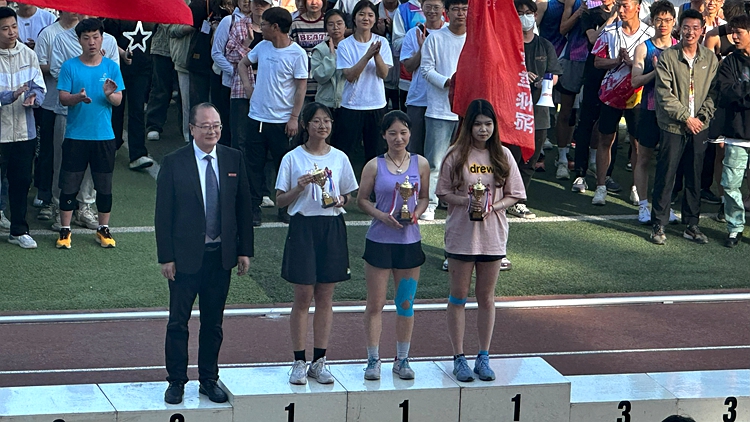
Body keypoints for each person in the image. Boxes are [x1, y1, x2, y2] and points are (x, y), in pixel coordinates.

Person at [156, 103, 254, 405]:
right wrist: (166, 257)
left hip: (220, 257)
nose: (212, 131)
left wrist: (244, 251)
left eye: (216, 125)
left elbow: (243, 208)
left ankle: (209, 379)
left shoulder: (233, 158)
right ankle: (176, 381)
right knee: (178, 322)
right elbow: (163, 214)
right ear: (192, 129)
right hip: (185, 257)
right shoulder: (174, 162)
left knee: (213, 324)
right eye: (206, 125)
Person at [436, 99, 526, 382]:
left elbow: (515, 193)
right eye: (478, 124)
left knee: (486, 298)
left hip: (492, 236)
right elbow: (443, 192)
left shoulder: (503, 155)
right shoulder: (455, 154)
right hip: (461, 236)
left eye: (488, 124)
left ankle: (483, 356)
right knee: (458, 296)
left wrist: (492, 206)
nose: (483, 130)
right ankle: (459, 357)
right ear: (469, 126)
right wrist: (467, 202)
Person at [275, 102, 358, 385]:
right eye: (317, 121)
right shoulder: (292, 158)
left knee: (325, 296)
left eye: (327, 121)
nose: (323, 126)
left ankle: (319, 361)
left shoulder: (339, 157)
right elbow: (280, 200)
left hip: (332, 227)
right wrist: (299, 187)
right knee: (302, 296)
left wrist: (341, 200)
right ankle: (299, 361)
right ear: (305, 125)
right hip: (303, 228)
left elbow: (349, 195)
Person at [357, 111, 429, 381]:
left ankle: (402, 359)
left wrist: (417, 213)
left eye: (403, 133)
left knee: (405, 302)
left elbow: (424, 197)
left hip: (409, 242)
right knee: (375, 303)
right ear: (384, 136)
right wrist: (382, 216)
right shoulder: (373, 166)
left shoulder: (421, 163)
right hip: (380, 241)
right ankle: (373, 359)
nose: (399, 138)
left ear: (410, 133)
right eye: (393, 133)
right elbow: (362, 200)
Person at [650, 8, 718, 244]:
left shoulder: (710, 59)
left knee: (695, 176)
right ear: (679, 29)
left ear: (702, 30)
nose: (690, 32)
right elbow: (664, 94)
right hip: (673, 126)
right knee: (666, 175)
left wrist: (701, 118)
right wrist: (685, 117)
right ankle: (658, 224)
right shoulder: (668, 57)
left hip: (699, 127)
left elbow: (713, 93)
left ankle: (692, 224)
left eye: (695, 28)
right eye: (686, 27)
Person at [55, 18, 124, 249]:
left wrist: (109, 94)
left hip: (104, 136)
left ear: (102, 39)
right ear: (79, 41)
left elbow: (118, 100)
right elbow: (63, 98)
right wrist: (78, 97)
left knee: (104, 185)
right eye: (86, 38)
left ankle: (103, 228)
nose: (91, 42)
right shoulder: (70, 67)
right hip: (76, 136)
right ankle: (65, 230)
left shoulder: (111, 67)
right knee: (69, 184)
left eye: (96, 37)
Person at [238, 6, 308, 226]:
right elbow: (243, 64)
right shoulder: (262, 47)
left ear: (276, 27)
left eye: (265, 24)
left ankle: (284, 207)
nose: (261, 28)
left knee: (283, 166)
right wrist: (248, 88)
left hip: (282, 121)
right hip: (257, 117)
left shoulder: (297, 53)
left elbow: (301, 87)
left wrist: (294, 117)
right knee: (253, 165)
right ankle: (253, 207)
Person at [590, 0, 654, 205]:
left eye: (626, 5)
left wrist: (634, 64)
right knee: (605, 138)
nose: (622, 10)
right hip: (611, 93)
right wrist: (617, 61)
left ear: (638, 7)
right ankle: (601, 186)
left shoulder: (649, 33)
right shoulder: (609, 31)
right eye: (619, 5)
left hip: (638, 96)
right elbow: (597, 61)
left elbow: (655, 63)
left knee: (637, 142)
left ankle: (636, 187)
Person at [510, 0, 562, 219]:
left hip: (539, 111)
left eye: (528, 13)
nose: (525, 17)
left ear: (535, 15)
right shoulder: (508, 44)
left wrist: (543, 82)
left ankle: (519, 200)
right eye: (520, 13)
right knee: (510, 158)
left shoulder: (545, 45)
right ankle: (505, 197)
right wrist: (519, 76)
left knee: (530, 159)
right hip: (513, 111)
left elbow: (555, 74)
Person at [0, 6, 46, 249]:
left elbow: (39, 86)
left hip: (24, 133)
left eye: (14, 26)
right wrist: (10, 96)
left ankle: (18, 231)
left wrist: (33, 97)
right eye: (5, 28)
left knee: (20, 182)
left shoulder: (28, 54)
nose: (11, 32)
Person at [631, 0, 679, 224]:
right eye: (659, 20)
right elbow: (635, 81)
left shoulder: (679, 47)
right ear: (652, 21)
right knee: (644, 157)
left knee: (669, 162)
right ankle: (643, 204)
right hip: (649, 109)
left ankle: (663, 205)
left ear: (674, 21)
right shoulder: (644, 47)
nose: (663, 24)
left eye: (667, 20)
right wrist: (656, 71)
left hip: (673, 113)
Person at [419, 0, 467, 221]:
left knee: (463, 161)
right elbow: (426, 70)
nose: (460, 13)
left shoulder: (474, 39)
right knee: (435, 162)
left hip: (467, 110)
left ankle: (459, 200)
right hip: (439, 109)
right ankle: (429, 203)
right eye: (456, 9)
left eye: (464, 9)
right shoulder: (435, 38)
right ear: (447, 12)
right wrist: (448, 82)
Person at [334, 0, 393, 162]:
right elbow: (350, 75)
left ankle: (373, 179)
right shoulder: (345, 45)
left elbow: (383, 74)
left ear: (375, 19)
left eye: (370, 15)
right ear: (354, 18)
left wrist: (376, 55)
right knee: (344, 151)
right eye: (361, 14)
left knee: (376, 153)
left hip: (376, 105)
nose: (366, 18)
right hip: (351, 105)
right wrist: (367, 55)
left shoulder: (382, 42)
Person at [35, 11, 79, 223]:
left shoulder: (86, 33)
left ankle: (74, 200)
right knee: (48, 153)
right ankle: (46, 197)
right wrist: (65, 67)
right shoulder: (49, 33)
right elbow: (38, 64)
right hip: (51, 102)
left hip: (78, 105)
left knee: (74, 154)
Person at [570, 0, 618, 193]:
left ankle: (606, 174)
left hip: (616, 76)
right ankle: (580, 173)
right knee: (586, 122)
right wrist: (611, 19)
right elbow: (592, 39)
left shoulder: (627, 14)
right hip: (593, 74)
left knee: (611, 126)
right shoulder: (590, 13)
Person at [713, 14, 750, 247]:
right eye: (732, 32)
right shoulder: (729, 62)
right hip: (737, 134)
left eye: (739, 32)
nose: (734, 37)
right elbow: (726, 92)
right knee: (729, 184)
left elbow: (736, 91)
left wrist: (742, 91)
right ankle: (735, 228)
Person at [103, 19, 157, 170]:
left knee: (137, 109)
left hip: (142, 68)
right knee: (116, 108)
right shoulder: (116, 16)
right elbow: (107, 38)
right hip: (117, 68)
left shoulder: (151, 15)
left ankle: (137, 154)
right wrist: (121, 53)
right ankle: (113, 144)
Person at [399, 0, 445, 156]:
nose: (432, 11)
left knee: (439, 153)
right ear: (422, 8)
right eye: (428, 7)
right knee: (414, 149)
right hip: (418, 98)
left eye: (436, 7)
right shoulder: (413, 33)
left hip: (442, 100)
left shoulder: (449, 32)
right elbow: (408, 67)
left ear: (443, 9)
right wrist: (422, 49)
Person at [553, 0, 588, 181]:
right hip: (573, 58)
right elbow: (563, 29)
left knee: (592, 114)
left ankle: (592, 161)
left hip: (597, 60)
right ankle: (562, 158)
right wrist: (579, 11)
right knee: (566, 111)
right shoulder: (573, 1)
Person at [290, 0, 327, 101]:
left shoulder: (328, 22)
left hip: (324, 84)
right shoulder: (296, 24)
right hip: (303, 83)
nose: (314, 2)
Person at [310, 9, 346, 111]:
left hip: (348, 102)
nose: (335, 27)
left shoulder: (352, 47)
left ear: (346, 26)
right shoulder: (319, 49)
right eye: (331, 24)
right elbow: (320, 76)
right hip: (325, 102)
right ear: (326, 28)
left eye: (339, 23)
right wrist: (331, 57)